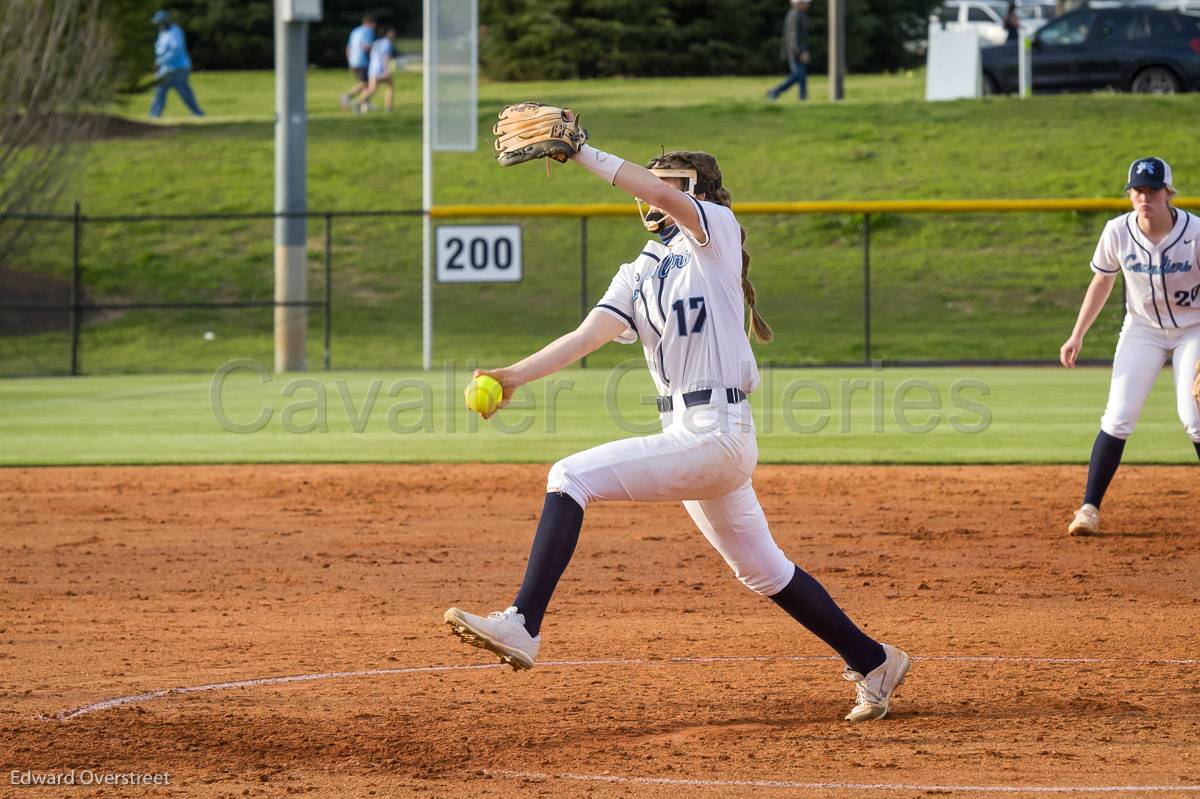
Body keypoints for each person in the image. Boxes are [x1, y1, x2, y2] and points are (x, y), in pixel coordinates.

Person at [443, 121, 912, 723]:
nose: (652, 194)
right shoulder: (638, 270)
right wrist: (511, 375)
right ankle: (873, 660)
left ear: (703, 192)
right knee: (763, 571)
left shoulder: (713, 232)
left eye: (669, 183)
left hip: (717, 431)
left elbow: (669, 200)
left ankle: (523, 624)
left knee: (569, 477)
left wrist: (581, 152)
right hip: (689, 435)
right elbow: (588, 336)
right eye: (651, 182)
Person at [1060, 157, 1200, 535]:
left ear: (1169, 192)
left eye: (1153, 189)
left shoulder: (1195, 232)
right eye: (1138, 190)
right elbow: (1102, 282)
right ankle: (1088, 509)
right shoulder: (1118, 231)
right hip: (1142, 330)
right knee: (1118, 416)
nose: (1145, 197)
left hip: (1194, 330)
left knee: (1194, 417)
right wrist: (1077, 333)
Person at [149, 10, 203, 118]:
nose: (158, 25)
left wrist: (160, 62)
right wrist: (158, 63)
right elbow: (160, 50)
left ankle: (198, 113)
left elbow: (175, 51)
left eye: (160, 22)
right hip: (166, 69)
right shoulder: (162, 32)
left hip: (178, 68)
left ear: (165, 21)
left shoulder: (175, 32)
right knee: (160, 91)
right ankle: (154, 115)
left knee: (184, 92)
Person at [767, 0, 811, 102]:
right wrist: (801, 51)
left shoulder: (800, 14)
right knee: (798, 74)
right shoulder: (795, 15)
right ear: (799, 3)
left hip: (797, 50)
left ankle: (803, 97)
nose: (808, 5)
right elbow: (794, 37)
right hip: (794, 52)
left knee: (802, 75)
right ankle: (775, 91)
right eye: (806, 3)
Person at [340, 15, 376, 112]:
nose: (374, 27)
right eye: (374, 24)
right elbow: (366, 47)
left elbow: (348, 48)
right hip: (362, 60)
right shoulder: (369, 31)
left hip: (353, 60)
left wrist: (349, 62)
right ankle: (347, 96)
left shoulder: (355, 31)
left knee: (365, 83)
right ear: (370, 23)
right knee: (366, 83)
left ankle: (365, 105)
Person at [357, 27, 397, 113]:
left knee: (372, 89)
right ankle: (388, 108)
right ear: (388, 33)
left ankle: (358, 103)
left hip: (372, 69)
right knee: (389, 86)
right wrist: (386, 69)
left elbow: (369, 50)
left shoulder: (377, 42)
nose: (394, 34)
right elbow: (386, 56)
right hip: (380, 69)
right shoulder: (387, 42)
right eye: (392, 32)